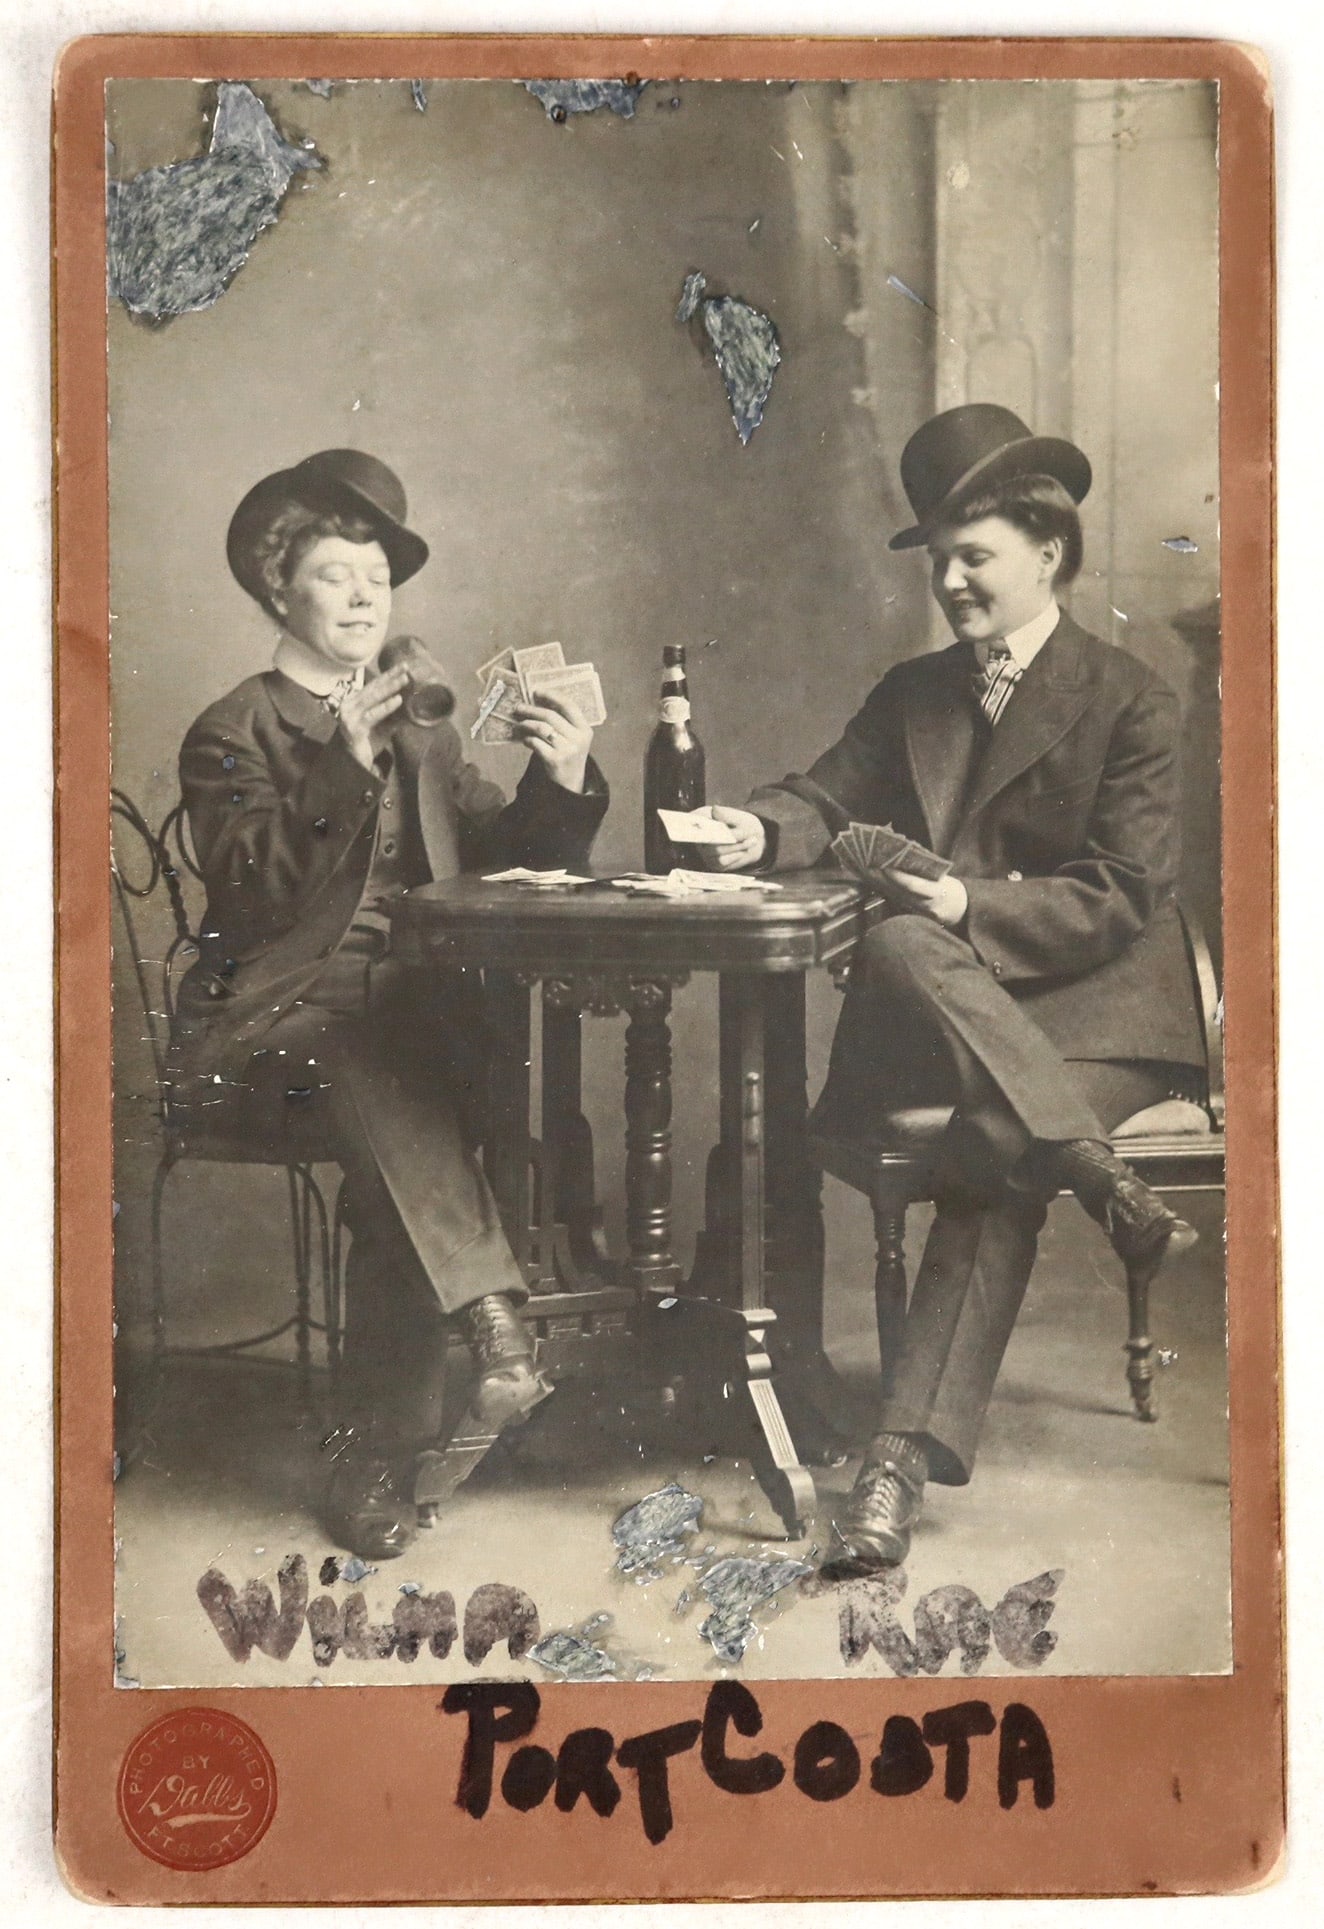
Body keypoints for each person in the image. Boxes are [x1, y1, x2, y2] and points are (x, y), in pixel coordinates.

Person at [708, 404, 1204, 1571]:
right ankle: (1099, 1176)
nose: (951, 583)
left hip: (1098, 1005)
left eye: (971, 556)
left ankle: (892, 1464)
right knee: (895, 950)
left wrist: (967, 906)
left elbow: (1122, 895)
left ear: (1049, 551)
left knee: (986, 1113)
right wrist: (750, 826)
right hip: (954, 1006)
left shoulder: (1131, 697)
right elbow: (822, 799)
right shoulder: (914, 691)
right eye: (938, 560)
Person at [167, 449, 608, 1559]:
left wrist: (563, 779)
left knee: (423, 1095)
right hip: (270, 1025)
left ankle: (387, 1451)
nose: (366, 596)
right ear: (280, 592)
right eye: (335, 574)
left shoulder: (423, 728)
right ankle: (495, 1325)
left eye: (379, 577)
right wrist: (341, 772)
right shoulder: (235, 729)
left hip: (410, 1022)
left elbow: (495, 859)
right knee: (376, 1065)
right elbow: (254, 888)